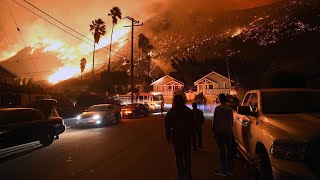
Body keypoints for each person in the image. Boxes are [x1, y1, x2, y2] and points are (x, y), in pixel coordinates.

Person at [165, 95, 193, 180]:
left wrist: (168, 137)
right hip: (187, 137)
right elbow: (193, 124)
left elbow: (167, 126)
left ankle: (181, 175)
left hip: (176, 137)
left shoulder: (171, 112)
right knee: (187, 157)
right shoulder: (188, 111)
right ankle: (187, 175)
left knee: (179, 158)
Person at [212, 93, 234, 176]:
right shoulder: (229, 109)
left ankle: (223, 169)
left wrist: (213, 131)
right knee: (229, 150)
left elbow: (215, 121)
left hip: (219, 132)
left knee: (221, 151)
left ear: (219, 100)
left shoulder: (218, 109)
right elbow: (231, 122)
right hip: (228, 132)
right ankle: (230, 169)